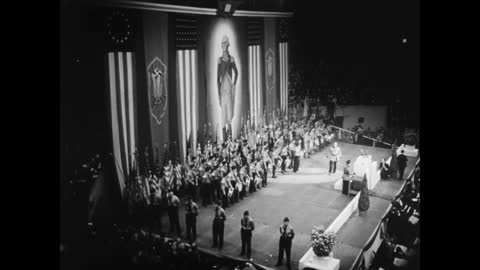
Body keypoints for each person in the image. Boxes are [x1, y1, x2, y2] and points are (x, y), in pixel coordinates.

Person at [217, 35, 238, 139]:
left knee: (229, 116)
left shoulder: (231, 59)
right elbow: (217, 79)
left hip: (229, 92)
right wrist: (218, 94)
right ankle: (225, 141)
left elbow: (236, 73)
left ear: (227, 44)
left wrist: (233, 85)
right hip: (223, 93)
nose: (223, 45)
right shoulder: (219, 60)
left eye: (224, 43)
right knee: (223, 117)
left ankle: (231, 139)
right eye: (222, 43)